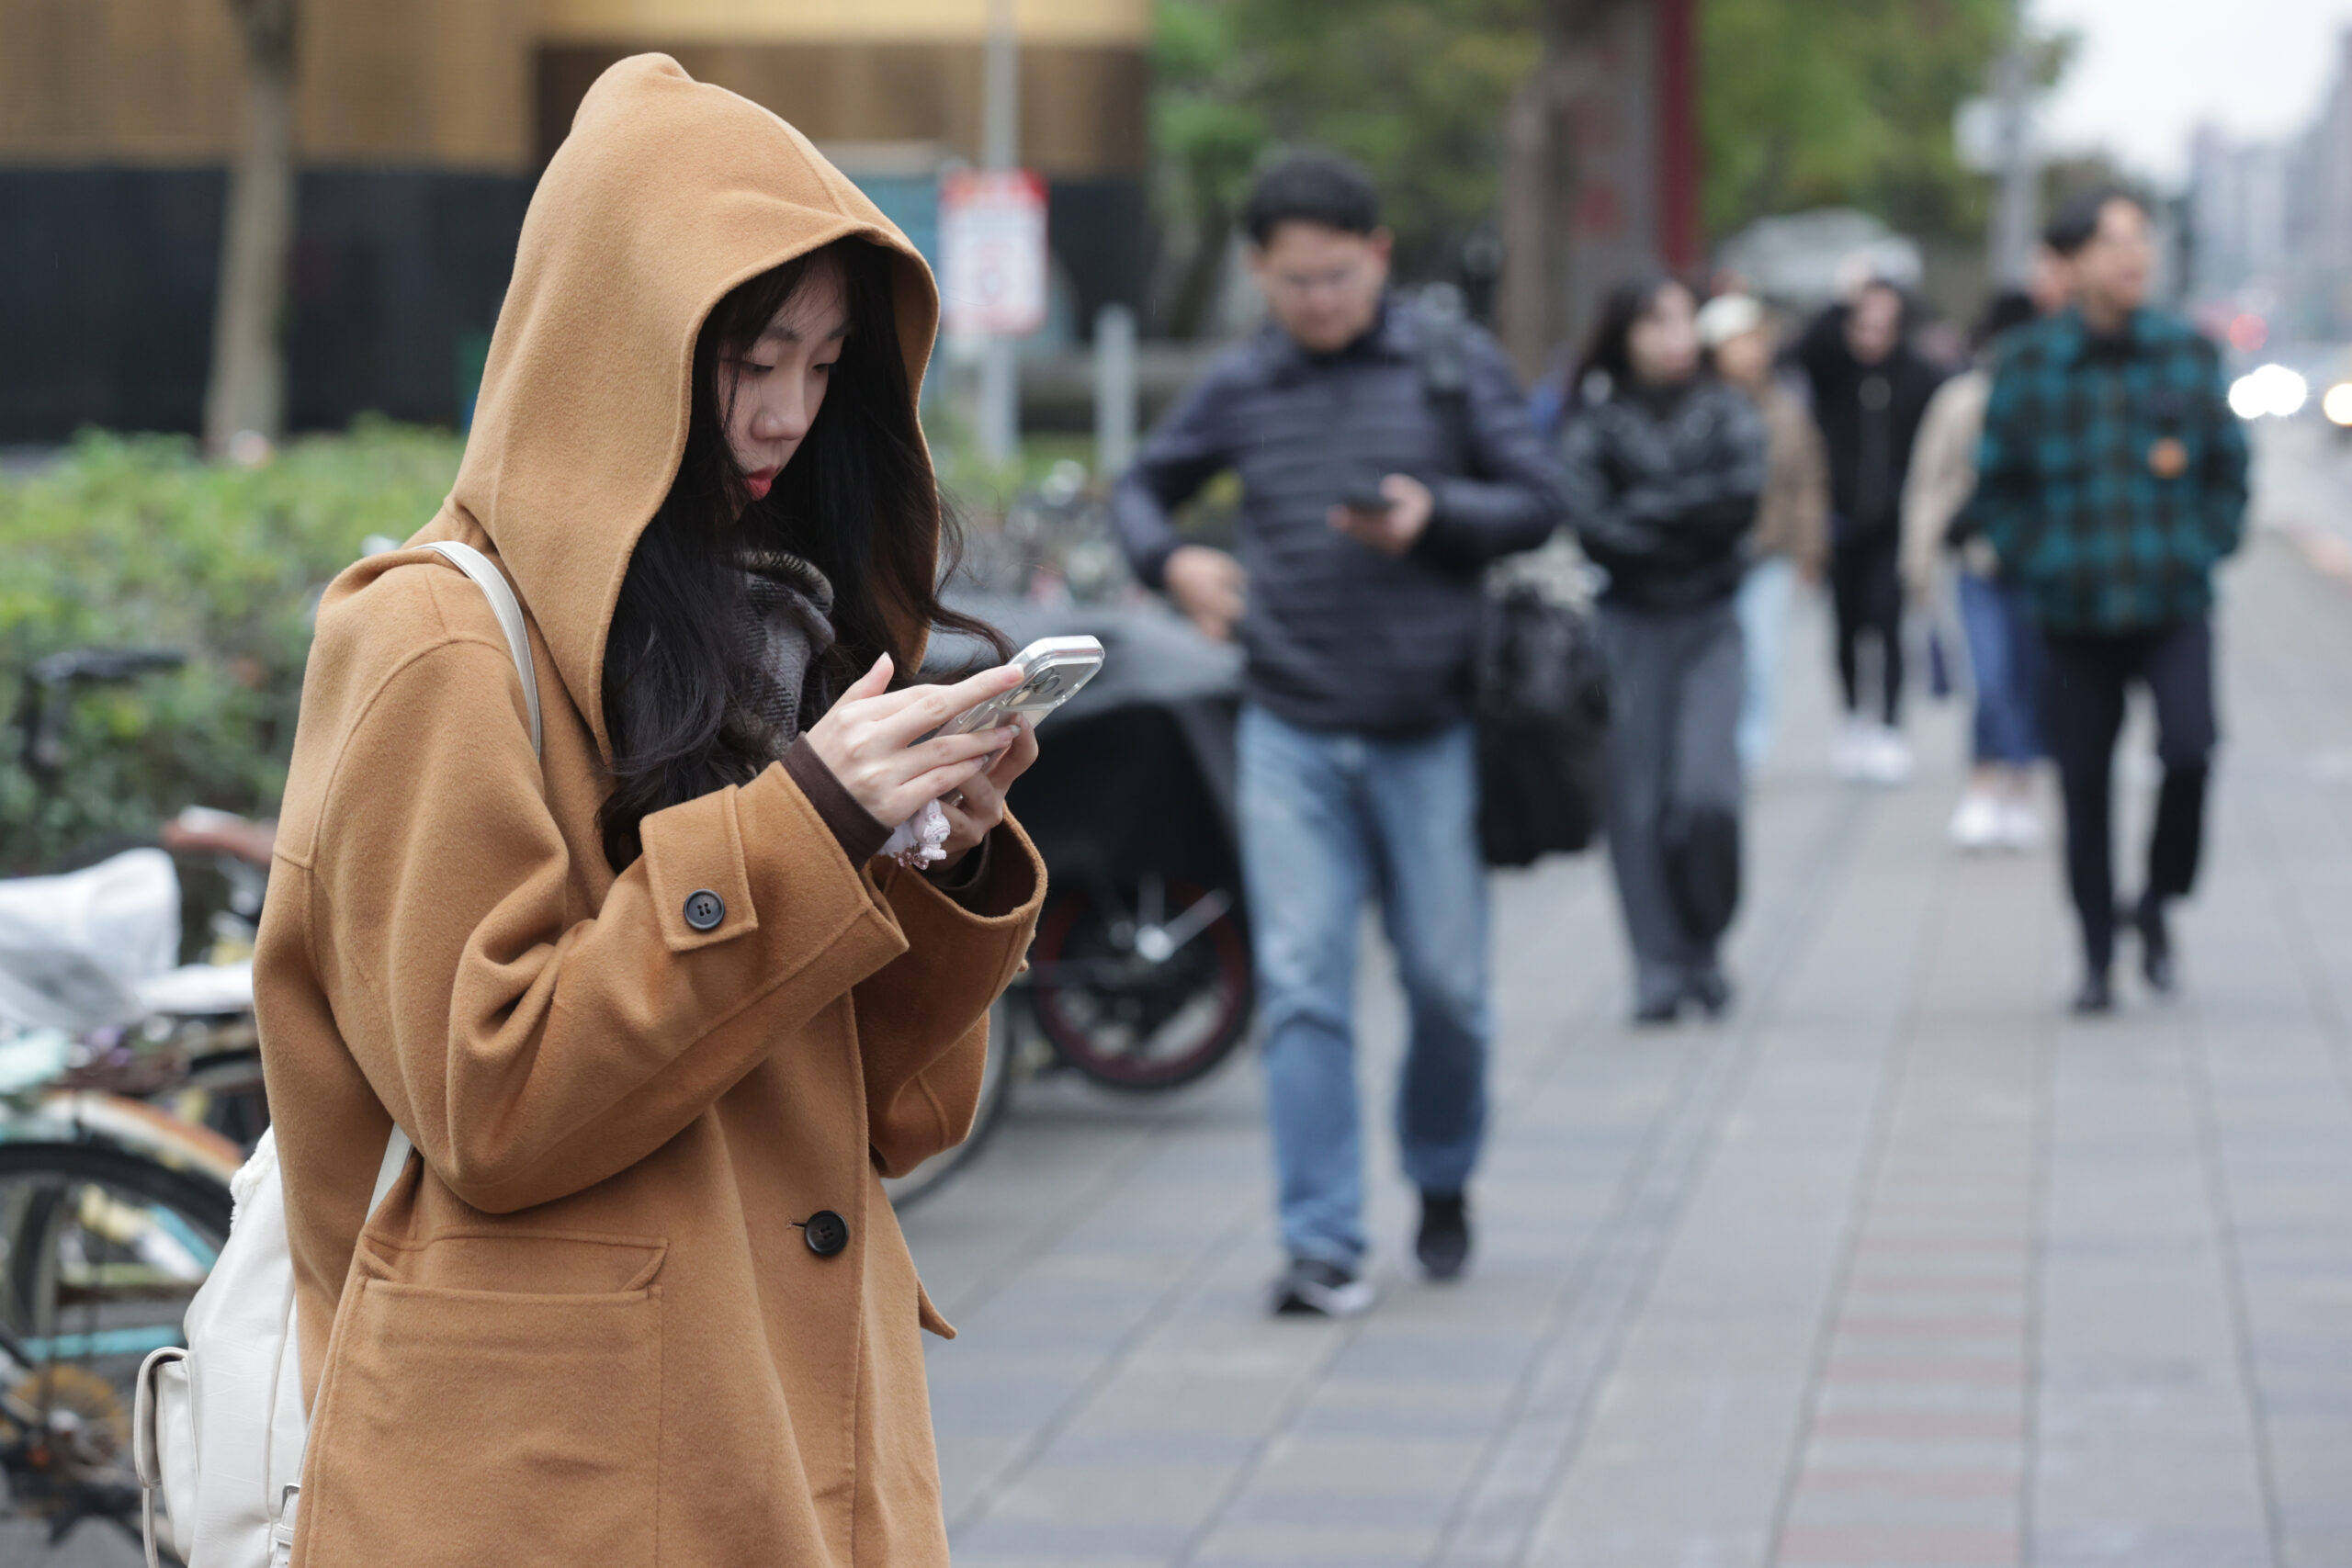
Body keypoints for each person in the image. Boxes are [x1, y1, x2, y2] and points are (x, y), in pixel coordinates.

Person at [254, 58, 1045, 1564]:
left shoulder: (786, 634)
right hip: (562, 1481)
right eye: (746, 359)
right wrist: (805, 828)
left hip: (787, 1424)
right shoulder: (434, 641)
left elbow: (904, 1116)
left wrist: (934, 848)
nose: (782, 418)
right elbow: (492, 1101)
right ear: (610, 346)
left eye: (824, 369)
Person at [1111, 152, 1565, 1316]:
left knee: (1448, 988)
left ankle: (1443, 1174)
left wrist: (1436, 517)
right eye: (1293, 280)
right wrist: (1176, 562)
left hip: (1431, 727)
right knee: (1306, 985)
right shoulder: (1240, 383)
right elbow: (1140, 491)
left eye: (1336, 275)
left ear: (1378, 256)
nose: (1317, 299)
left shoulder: (1453, 364)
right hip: (1290, 727)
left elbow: (1538, 498)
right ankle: (1322, 1241)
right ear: (1259, 272)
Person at [1974, 188, 2248, 1014]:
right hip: (2073, 616)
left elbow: (2229, 473)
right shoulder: (2028, 363)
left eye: (2142, 240)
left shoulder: (2186, 355)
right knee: (2083, 783)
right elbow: (1999, 490)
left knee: (2192, 750)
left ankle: (2158, 898)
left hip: (2172, 603)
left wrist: (2203, 544)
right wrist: (2045, 562)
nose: (2135, 257)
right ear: (2071, 261)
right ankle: (2095, 952)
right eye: (2113, 241)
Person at [1561, 276, 1769, 1023]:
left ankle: (1704, 938)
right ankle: (1657, 962)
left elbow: (1738, 503)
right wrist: (1685, 514)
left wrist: (1645, 514)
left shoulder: (1726, 410)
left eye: (1684, 321)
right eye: (1656, 323)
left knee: (1706, 796)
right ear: (1625, 333)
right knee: (1637, 805)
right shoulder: (1593, 421)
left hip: (1711, 621)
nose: (1675, 337)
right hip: (1629, 626)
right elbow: (1592, 525)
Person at [1902, 288, 2048, 852]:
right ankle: (1983, 784)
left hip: (2041, 565)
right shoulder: (1962, 401)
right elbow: (1929, 484)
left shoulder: (2048, 397)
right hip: (1978, 562)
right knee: (1987, 680)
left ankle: (2019, 786)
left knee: (2031, 680)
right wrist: (1917, 563)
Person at [1797, 277, 1949, 784]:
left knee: (1887, 623)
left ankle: (1888, 725)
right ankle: (1852, 720)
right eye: (1863, 323)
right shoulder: (1835, 373)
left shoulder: (1919, 377)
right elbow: (1805, 347)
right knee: (1844, 630)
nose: (1873, 335)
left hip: (1893, 526)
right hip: (1840, 526)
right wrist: (1844, 293)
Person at [1699, 293, 1829, 773]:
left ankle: (1745, 752)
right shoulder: (1699, 405)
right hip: (1709, 554)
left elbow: (1808, 483)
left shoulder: (1785, 408)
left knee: (1762, 657)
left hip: (1768, 553)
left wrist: (1810, 551)